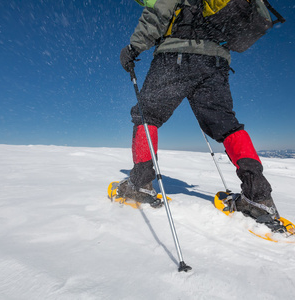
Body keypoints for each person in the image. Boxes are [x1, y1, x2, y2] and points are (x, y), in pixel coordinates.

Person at [117, 0, 280, 226]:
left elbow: (159, 12)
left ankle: (140, 184)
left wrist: (134, 47)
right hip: (216, 62)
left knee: (147, 116)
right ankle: (258, 195)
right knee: (227, 125)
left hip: (175, 56)